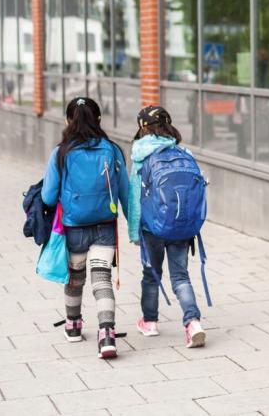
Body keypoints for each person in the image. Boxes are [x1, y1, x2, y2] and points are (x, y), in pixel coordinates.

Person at [42, 97, 130, 359]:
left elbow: (47, 196)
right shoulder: (112, 150)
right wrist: (134, 225)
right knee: (101, 279)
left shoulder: (61, 152)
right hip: (105, 224)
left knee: (75, 278)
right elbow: (124, 191)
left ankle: (73, 326)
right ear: (99, 120)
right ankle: (107, 335)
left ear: (68, 121)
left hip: (74, 226)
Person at [128, 106, 207, 348]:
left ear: (143, 127)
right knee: (181, 276)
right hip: (182, 226)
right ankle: (192, 322)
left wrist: (134, 232)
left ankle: (150, 322)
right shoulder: (184, 152)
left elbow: (135, 199)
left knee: (151, 275)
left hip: (152, 228)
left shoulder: (141, 157)